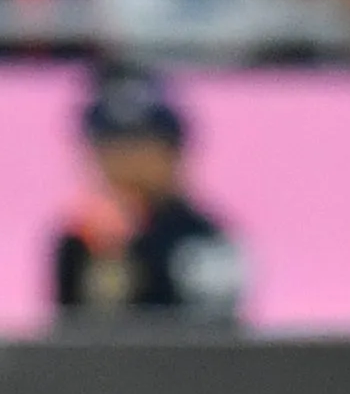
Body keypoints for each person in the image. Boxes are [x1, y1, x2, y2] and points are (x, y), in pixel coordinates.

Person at [51, 63, 244, 325]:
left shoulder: (204, 238)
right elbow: (70, 335)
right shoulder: (78, 239)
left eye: (140, 148)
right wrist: (107, 254)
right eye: (111, 149)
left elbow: (214, 337)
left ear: (174, 154)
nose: (125, 165)